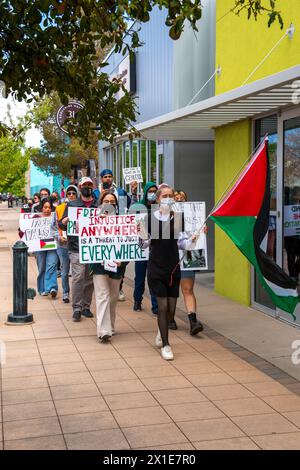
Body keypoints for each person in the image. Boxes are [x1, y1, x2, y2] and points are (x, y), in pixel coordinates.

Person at [138, 185, 194, 361]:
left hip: (173, 268)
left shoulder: (177, 218)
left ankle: (161, 332)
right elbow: (143, 245)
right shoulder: (149, 219)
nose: (169, 199)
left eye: (171, 195)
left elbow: (183, 244)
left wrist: (193, 239)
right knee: (161, 307)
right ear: (158, 199)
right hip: (156, 268)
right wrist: (140, 233)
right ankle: (166, 344)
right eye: (165, 196)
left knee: (170, 312)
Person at [59, 177, 98, 322]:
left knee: (89, 278)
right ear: (80, 187)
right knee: (78, 276)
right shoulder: (72, 205)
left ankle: (86, 307)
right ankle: (76, 307)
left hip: (93, 247)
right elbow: (62, 225)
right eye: (84, 185)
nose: (87, 187)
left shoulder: (98, 205)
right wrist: (63, 222)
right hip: (76, 247)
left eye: (89, 185)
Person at [90, 191, 127, 342]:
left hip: (117, 265)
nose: (109, 204)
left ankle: (110, 326)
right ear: (100, 203)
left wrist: (122, 261)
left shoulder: (124, 221)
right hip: (99, 265)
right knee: (102, 295)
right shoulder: (92, 220)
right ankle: (103, 331)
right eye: (106, 201)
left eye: (112, 202)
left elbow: (131, 244)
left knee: (113, 297)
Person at [174, 190, 204, 336]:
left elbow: (198, 238)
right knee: (170, 292)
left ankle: (193, 320)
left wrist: (202, 233)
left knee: (188, 289)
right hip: (169, 258)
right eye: (176, 198)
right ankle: (168, 318)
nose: (179, 200)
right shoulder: (163, 218)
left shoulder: (195, 218)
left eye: (182, 198)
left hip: (187, 257)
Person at [131, 181, 158, 314]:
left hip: (155, 249)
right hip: (142, 247)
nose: (152, 194)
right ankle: (137, 300)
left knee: (153, 277)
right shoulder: (139, 206)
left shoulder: (159, 208)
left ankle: (156, 306)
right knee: (140, 277)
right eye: (150, 191)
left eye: (155, 191)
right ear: (146, 192)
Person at [54, 184, 79, 303]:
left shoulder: (81, 207)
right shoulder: (59, 208)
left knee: (77, 272)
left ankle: (77, 294)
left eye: (74, 193)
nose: (71, 195)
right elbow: (54, 226)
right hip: (63, 245)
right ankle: (65, 292)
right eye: (69, 193)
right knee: (64, 271)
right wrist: (59, 237)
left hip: (76, 244)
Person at [34, 198, 59, 297]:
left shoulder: (55, 217)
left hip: (52, 245)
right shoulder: (35, 218)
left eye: (49, 207)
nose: (47, 209)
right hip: (39, 246)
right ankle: (42, 289)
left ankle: (52, 288)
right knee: (42, 268)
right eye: (45, 207)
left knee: (52, 266)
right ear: (41, 208)